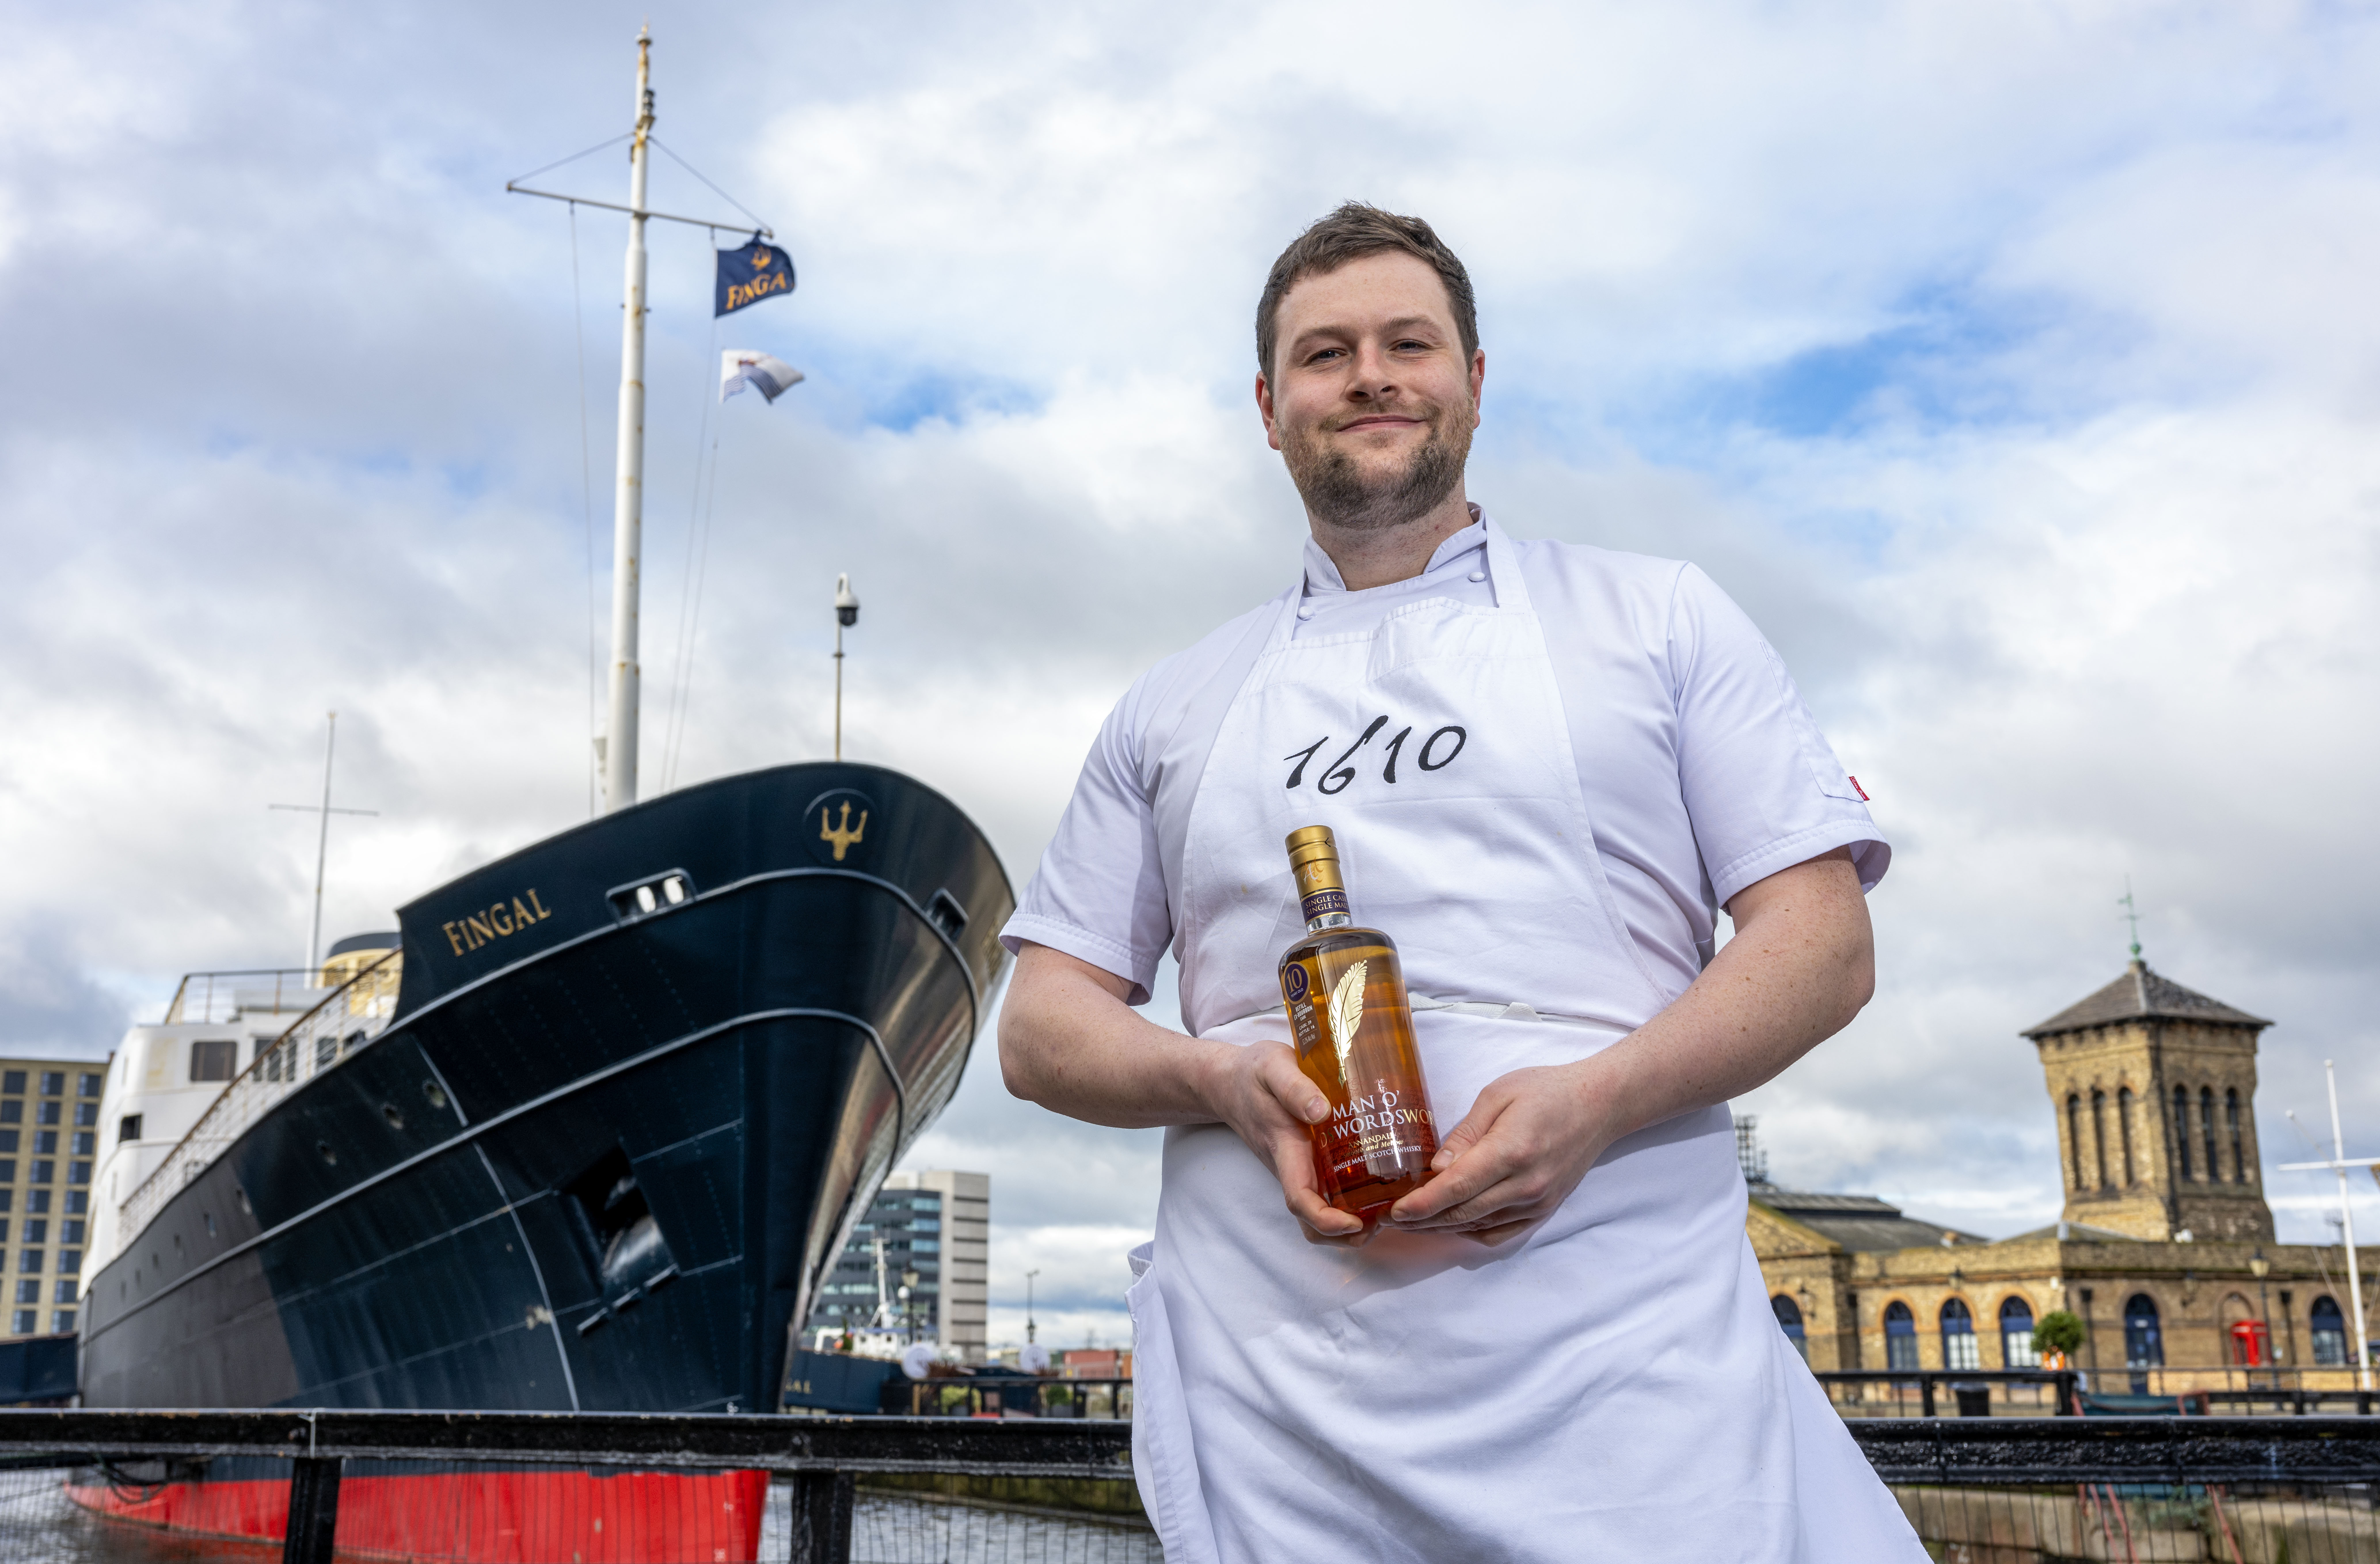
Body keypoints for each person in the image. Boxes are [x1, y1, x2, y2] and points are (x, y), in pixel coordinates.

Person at [998, 202, 1923, 1561]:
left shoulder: (1659, 616)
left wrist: (1601, 1098)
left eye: (1407, 342)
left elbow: (1823, 940)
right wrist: (1213, 1079)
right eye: (1324, 354)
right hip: (1284, 1399)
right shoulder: (1172, 703)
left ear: (1475, 384)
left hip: (1628, 1367)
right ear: (1269, 408)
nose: (1369, 375)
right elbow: (1040, 1023)